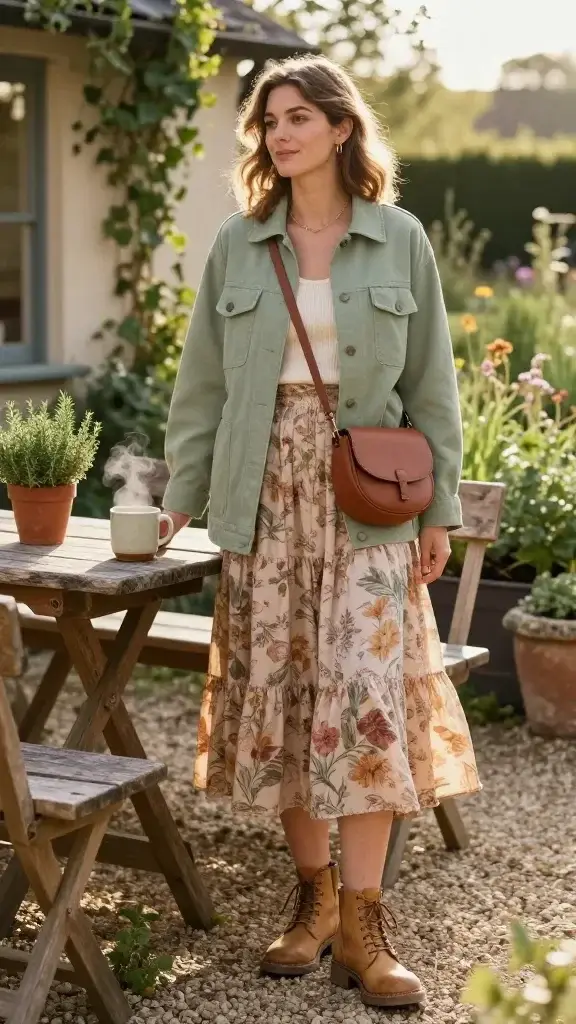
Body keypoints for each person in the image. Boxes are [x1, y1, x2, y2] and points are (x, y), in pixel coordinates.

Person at [162, 54, 480, 1010]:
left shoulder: (401, 239)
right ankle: (311, 901)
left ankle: (365, 925)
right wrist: (183, 493)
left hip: (370, 499)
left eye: (299, 117)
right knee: (292, 694)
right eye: (269, 122)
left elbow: (433, 386)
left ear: (342, 129)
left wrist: (440, 513)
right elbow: (203, 386)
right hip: (264, 497)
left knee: (371, 698)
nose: (280, 134)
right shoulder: (237, 243)